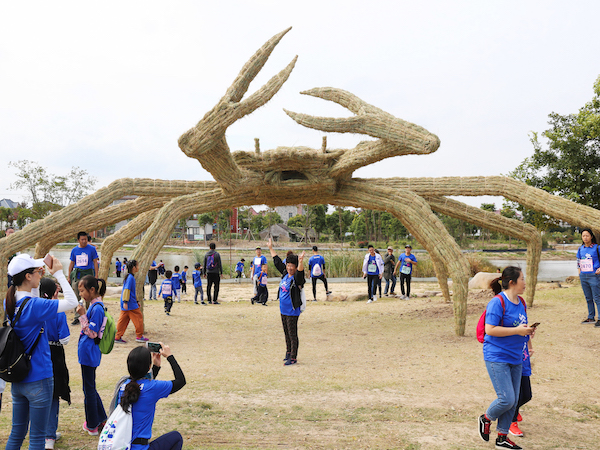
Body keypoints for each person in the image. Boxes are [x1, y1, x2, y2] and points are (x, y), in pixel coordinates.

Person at [4, 253, 77, 450]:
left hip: (18, 379)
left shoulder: (9, 303)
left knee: (17, 433)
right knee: (37, 439)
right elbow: (72, 302)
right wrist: (60, 274)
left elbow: (31, 298)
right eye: (38, 271)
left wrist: (41, 269)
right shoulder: (35, 306)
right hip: (39, 379)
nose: (41, 274)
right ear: (28, 276)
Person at [478, 266, 534, 450]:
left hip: (517, 356)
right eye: (522, 279)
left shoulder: (521, 302)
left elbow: (520, 325)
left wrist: (527, 333)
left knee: (515, 398)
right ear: (512, 282)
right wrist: (517, 330)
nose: (525, 283)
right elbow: (490, 330)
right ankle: (486, 418)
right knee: (506, 399)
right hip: (497, 356)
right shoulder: (497, 302)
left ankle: (502, 438)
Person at [116, 344, 186, 450]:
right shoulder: (153, 388)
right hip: (141, 448)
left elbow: (142, 386)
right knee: (176, 437)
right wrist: (169, 356)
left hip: (121, 446)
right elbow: (181, 381)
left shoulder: (123, 386)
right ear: (148, 366)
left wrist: (156, 367)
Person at [39, 278, 71, 450]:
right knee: (53, 395)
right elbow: (65, 339)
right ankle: (50, 436)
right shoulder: (58, 311)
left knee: (39, 394)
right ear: (53, 293)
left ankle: (40, 433)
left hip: (38, 354)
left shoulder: (34, 307)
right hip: (55, 356)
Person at [76, 275, 109, 436]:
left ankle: (92, 425)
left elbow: (92, 333)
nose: (81, 294)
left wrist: (82, 315)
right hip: (88, 353)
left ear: (92, 290)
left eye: (82, 291)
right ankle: (102, 418)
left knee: (88, 389)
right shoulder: (95, 306)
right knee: (90, 387)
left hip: (89, 353)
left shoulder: (97, 308)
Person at [267, 238, 306, 366]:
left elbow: (300, 274)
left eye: (292, 266)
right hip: (283, 310)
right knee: (286, 333)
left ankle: (293, 357)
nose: (289, 268)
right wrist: (271, 248)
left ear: (295, 267)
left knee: (292, 334)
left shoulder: (296, 278)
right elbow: (278, 262)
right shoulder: (285, 274)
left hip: (292, 310)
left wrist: (300, 262)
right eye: (288, 265)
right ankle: (288, 352)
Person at [114, 260, 149, 344]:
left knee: (123, 320)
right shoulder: (130, 278)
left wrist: (136, 301)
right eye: (137, 266)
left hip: (128, 303)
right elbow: (127, 290)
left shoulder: (128, 277)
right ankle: (139, 336)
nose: (138, 267)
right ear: (134, 267)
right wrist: (126, 301)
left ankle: (117, 336)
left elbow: (131, 291)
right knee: (139, 318)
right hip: (129, 304)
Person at [69, 231, 99, 324]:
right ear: (78, 240)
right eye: (82, 239)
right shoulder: (74, 250)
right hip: (77, 274)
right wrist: (69, 276)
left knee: (89, 294)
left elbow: (95, 262)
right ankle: (77, 316)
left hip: (88, 273)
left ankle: (89, 314)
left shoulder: (92, 249)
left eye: (85, 239)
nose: (84, 241)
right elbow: (71, 263)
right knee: (76, 295)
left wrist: (96, 276)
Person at [509, 336, 534, 438]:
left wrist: (529, 348)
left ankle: (513, 409)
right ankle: (511, 421)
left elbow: (526, 335)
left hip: (524, 364)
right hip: (513, 364)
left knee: (527, 395)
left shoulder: (523, 321)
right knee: (517, 396)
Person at [576, 228, 600, 325]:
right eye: (583, 236)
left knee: (597, 297)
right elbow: (578, 261)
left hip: (594, 276)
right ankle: (591, 317)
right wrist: (579, 273)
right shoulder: (580, 249)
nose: (585, 237)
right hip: (583, 276)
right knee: (588, 297)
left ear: (591, 236)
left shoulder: (597, 248)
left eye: (587, 235)